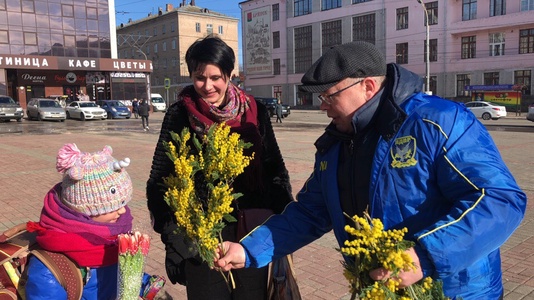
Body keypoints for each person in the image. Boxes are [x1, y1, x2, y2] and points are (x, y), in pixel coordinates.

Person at [214, 41, 527, 300]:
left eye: (328, 96)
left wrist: (424, 256)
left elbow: (500, 199)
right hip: (378, 289)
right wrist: (248, 249)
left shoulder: (436, 122)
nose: (322, 107)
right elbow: (310, 213)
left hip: (454, 290)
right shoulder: (334, 145)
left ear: (366, 86)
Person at [146, 35, 294, 299]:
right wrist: (177, 242)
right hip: (202, 237)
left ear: (229, 74)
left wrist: (284, 223)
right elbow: (160, 178)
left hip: (251, 232)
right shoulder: (179, 115)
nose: (207, 86)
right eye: (199, 77)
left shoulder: (255, 110)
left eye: (215, 77)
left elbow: (274, 168)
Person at [23, 143, 163, 299]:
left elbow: (117, 270)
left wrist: (143, 283)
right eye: (113, 206)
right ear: (84, 208)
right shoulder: (49, 270)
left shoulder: (113, 234)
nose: (123, 211)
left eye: (123, 203)